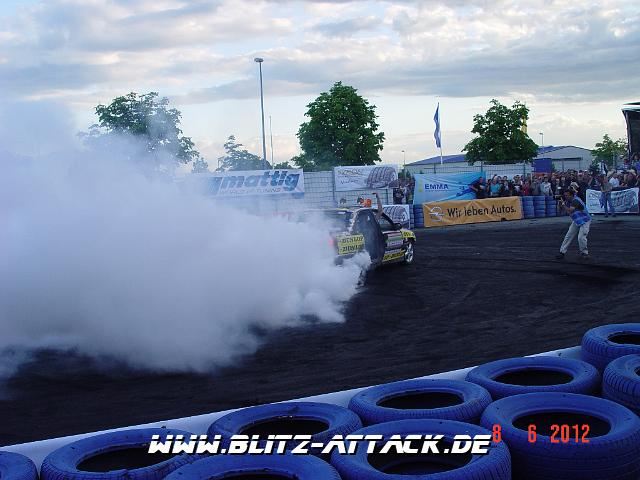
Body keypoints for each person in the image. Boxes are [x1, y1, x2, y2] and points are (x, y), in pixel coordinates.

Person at [556, 183, 592, 260]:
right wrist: (559, 204)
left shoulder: (575, 200)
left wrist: (563, 204)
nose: (565, 197)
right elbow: (559, 211)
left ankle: (584, 253)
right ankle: (562, 252)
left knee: (581, 237)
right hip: (577, 220)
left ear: (571, 195)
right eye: (565, 195)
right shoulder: (568, 201)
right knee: (568, 236)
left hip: (585, 221)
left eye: (567, 195)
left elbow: (570, 211)